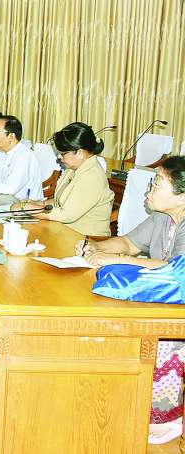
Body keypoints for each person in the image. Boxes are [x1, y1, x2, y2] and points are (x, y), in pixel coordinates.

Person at [77, 156, 185, 444]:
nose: (150, 188)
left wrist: (117, 259)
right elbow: (128, 242)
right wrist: (95, 246)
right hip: (164, 297)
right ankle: (121, 396)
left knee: (164, 336)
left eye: (158, 183)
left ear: (181, 195)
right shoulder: (163, 217)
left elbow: (174, 269)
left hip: (179, 302)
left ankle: (168, 416)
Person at [13, 122, 113, 236]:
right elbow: (61, 200)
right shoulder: (74, 168)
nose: (59, 157)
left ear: (80, 153)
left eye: (63, 153)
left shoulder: (92, 177)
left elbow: (66, 215)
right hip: (65, 231)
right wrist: (38, 203)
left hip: (87, 239)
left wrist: (28, 208)